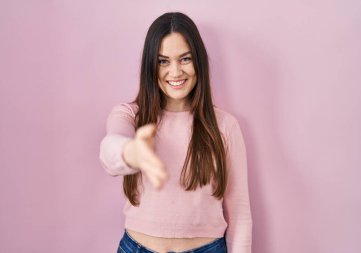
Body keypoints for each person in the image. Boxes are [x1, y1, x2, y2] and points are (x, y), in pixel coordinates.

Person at [99, 12, 252, 253]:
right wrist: (131, 152)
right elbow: (110, 150)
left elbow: (240, 216)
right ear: (151, 66)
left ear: (198, 61)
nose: (175, 71)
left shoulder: (225, 126)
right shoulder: (130, 116)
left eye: (185, 59)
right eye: (163, 61)